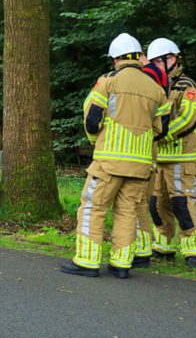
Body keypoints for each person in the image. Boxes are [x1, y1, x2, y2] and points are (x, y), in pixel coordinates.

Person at [62, 33, 170, 279]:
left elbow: (91, 119)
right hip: (141, 165)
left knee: (93, 208)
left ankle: (87, 261)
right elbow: (161, 130)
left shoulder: (108, 81)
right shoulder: (156, 89)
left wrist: (96, 141)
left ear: (116, 59)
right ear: (138, 58)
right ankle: (121, 264)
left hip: (108, 161)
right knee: (126, 212)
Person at [147, 38, 196, 269]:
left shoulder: (188, 87)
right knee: (156, 205)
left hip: (183, 158)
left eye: (157, 62)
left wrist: (158, 135)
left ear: (171, 59)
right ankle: (164, 246)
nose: (153, 66)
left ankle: (195, 250)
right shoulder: (158, 86)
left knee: (183, 205)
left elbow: (187, 119)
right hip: (159, 159)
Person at [132, 54, 172, 269]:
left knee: (136, 202)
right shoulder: (159, 77)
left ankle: (141, 252)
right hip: (149, 150)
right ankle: (143, 250)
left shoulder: (147, 75)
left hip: (140, 150)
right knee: (142, 202)